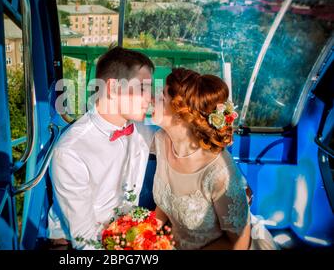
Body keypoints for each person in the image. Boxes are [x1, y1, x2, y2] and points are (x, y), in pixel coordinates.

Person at [151, 68, 278, 250]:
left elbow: (239, 244)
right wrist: (145, 234)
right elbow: (167, 199)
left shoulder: (219, 173)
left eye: (162, 97)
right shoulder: (161, 141)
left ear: (181, 113)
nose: (152, 100)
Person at [48, 47, 156, 249]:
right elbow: (84, 239)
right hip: (74, 242)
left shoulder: (142, 131)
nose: (150, 98)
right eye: (142, 88)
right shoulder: (71, 151)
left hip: (127, 233)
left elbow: (179, 137)